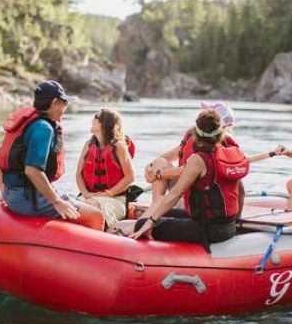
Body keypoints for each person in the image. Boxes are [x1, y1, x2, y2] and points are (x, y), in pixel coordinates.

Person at [129, 109, 248, 249]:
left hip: (208, 228)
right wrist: (236, 220)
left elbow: (175, 193)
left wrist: (148, 224)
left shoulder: (198, 159)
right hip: (226, 225)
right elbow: (241, 190)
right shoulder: (228, 154)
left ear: (195, 134)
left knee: (143, 224)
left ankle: (131, 240)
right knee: (159, 214)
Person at [0, 80, 103, 226]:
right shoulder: (44, 128)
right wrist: (57, 202)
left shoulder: (29, 123)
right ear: (54, 103)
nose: (66, 107)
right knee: (96, 216)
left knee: (87, 204)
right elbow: (32, 171)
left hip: (13, 195)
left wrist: (4, 193)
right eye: (65, 103)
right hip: (30, 199)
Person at [140, 101, 239, 219]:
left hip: (197, 196)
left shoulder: (211, 144)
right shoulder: (195, 137)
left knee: (160, 166)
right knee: (159, 162)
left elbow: (186, 170)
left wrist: (159, 174)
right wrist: (150, 167)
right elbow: (170, 156)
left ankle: (153, 211)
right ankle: (156, 204)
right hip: (185, 191)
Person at [76, 108, 136, 232]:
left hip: (115, 199)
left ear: (104, 124)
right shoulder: (88, 145)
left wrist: (109, 193)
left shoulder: (118, 146)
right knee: (73, 205)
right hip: (89, 197)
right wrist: (86, 194)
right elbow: (78, 174)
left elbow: (130, 177)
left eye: (96, 118)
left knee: (90, 206)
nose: (92, 120)